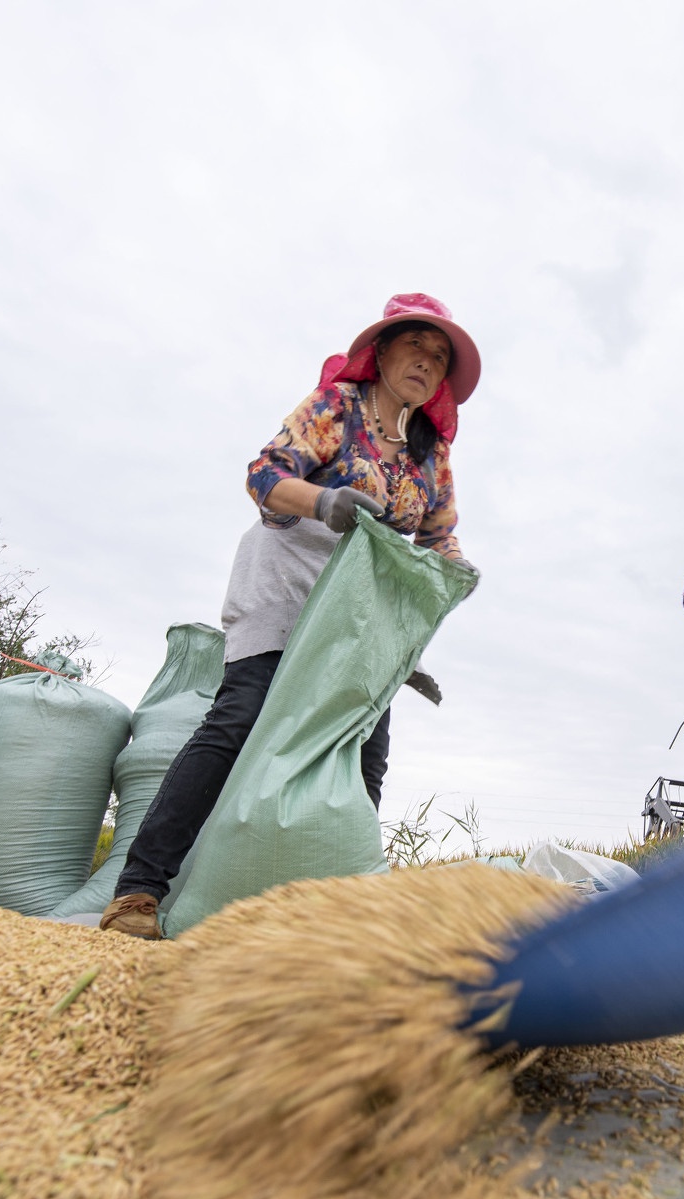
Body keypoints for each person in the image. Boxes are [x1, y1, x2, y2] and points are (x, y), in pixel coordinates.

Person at [99, 293, 481, 939]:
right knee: (240, 720)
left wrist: (444, 589)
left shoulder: (428, 454)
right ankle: (139, 891)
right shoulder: (336, 408)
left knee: (364, 751)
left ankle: (338, 912)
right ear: (381, 350)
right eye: (414, 343)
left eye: (439, 355)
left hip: (357, 618)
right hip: (285, 582)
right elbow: (264, 476)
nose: (426, 360)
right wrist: (326, 500)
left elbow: (439, 538)